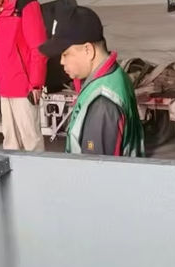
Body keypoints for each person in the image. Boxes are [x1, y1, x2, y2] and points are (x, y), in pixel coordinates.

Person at [38, 2, 144, 157]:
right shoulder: (116, 75)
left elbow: (96, 168)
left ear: (88, 50)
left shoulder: (101, 104)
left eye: (66, 54)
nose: (61, 61)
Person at [0, 0, 47, 152]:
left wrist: (36, 84)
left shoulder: (27, 5)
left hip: (24, 88)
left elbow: (39, 48)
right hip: (5, 84)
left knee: (31, 142)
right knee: (10, 142)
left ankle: (37, 168)